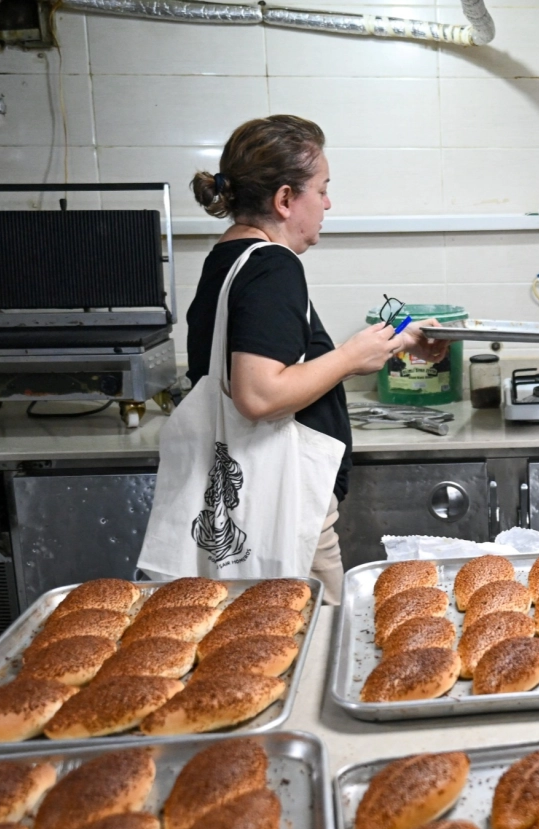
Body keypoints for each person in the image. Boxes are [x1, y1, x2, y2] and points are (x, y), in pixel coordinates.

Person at [186, 115, 447, 600]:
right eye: (322, 189)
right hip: (282, 505)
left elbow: (281, 359)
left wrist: (399, 340)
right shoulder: (273, 267)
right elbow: (259, 393)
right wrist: (349, 357)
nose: (328, 203)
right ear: (285, 200)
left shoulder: (228, 258)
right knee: (308, 641)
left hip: (246, 501)